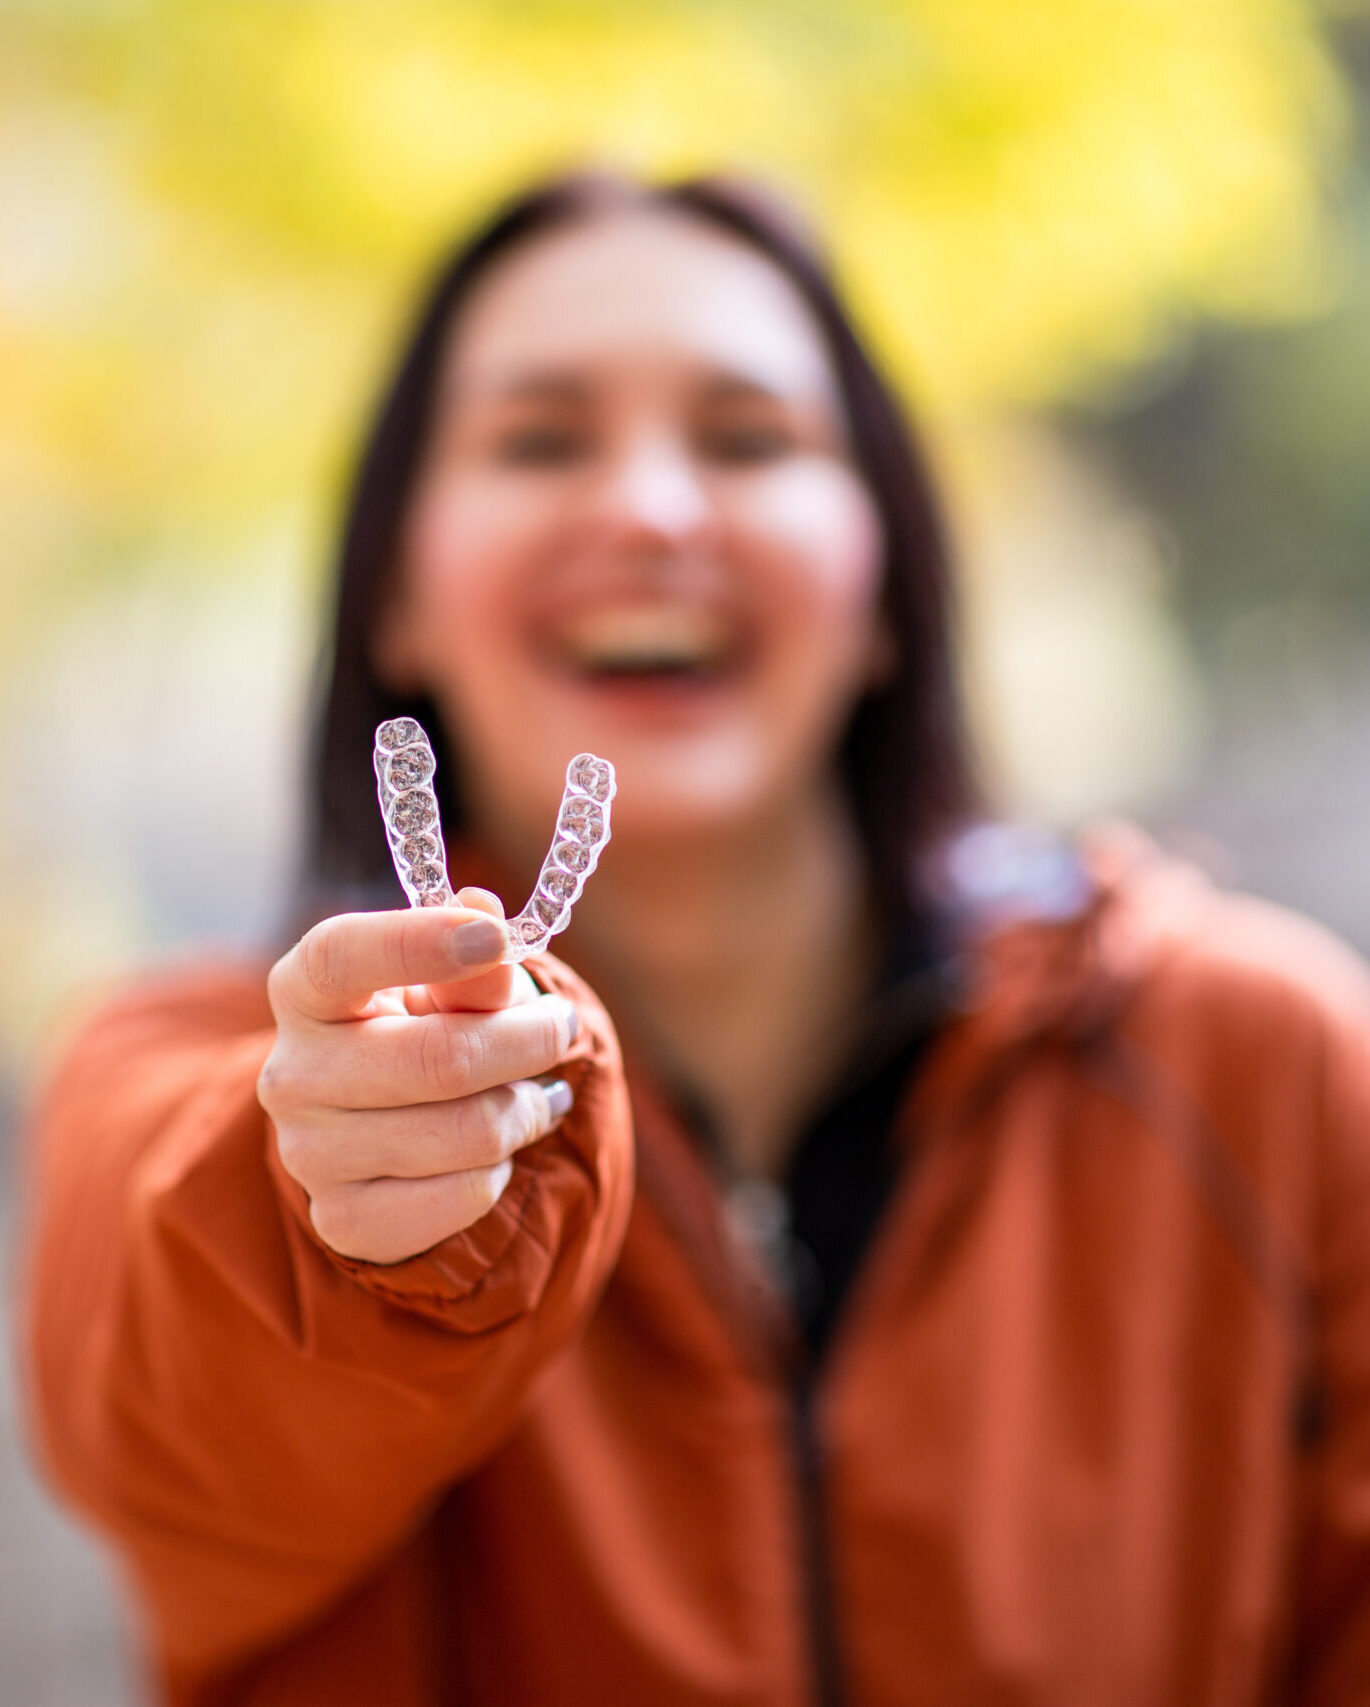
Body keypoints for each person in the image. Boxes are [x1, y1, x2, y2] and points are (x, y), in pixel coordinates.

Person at [19, 172, 1370, 1707]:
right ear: (397, 590)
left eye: (749, 439)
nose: (650, 510)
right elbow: (179, 1415)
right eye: (538, 440)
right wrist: (341, 1213)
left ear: (883, 589)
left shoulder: (1261, 1066)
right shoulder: (183, 1082)